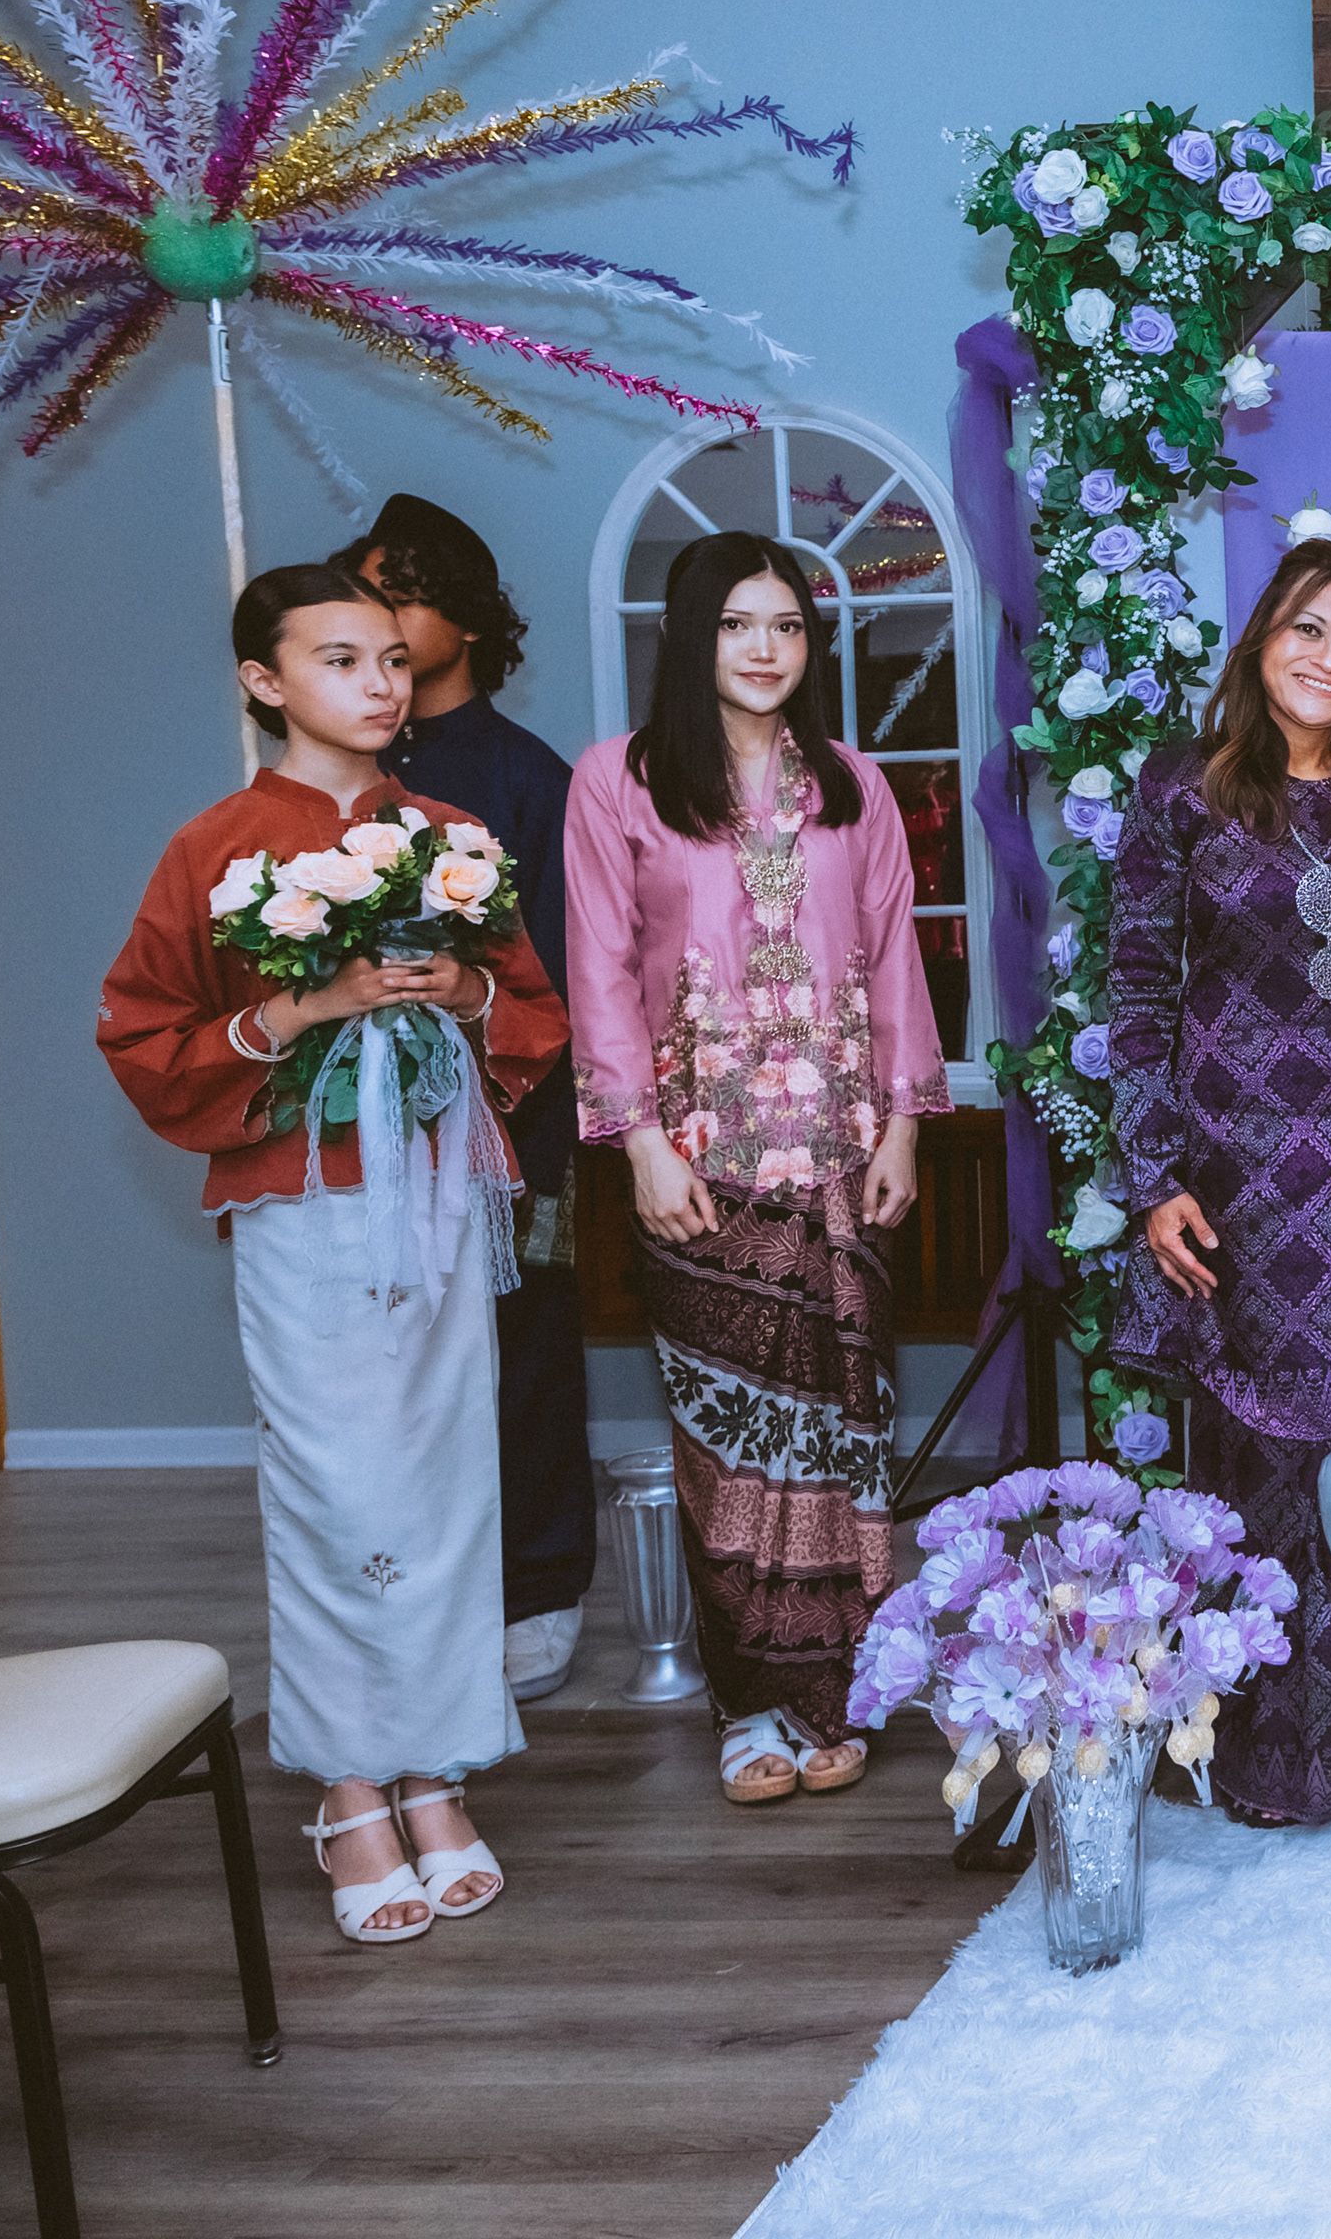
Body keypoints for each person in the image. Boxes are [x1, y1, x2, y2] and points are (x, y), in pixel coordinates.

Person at [100, 564, 565, 1945]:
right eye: (341, 659)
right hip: (303, 1210)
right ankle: (350, 1783)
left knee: (448, 1478)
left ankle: (438, 1767)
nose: (380, 683)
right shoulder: (216, 846)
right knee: (334, 1487)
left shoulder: (451, 836)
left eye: (392, 659)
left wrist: (463, 986)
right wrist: (303, 1009)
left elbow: (534, 1016)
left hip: (440, 1194)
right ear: (264, 680)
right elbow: (144, 1033)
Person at [565, 532, 948, 1806]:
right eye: (738, 623)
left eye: (787, 624)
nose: (766, 647)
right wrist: (639, 1142)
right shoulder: (619, 782)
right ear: (693, 636)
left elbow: (895, 957)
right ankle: (748, 1705)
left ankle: (839, 1686)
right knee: (728, 1445)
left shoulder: (852, 784)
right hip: (699, 1167)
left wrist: (903, 1125)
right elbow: (599, 969)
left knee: (843, 1430)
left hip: (841, 1162)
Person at [1102, 537, 1331, 1830]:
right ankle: (1262, 1757)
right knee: (1257, 1466)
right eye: (1310, 628)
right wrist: (1153, 1178)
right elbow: (1138, 996)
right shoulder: (1183, 789)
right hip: (1235, 1189)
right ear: (1263, 634)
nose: (1330, 659)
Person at [343, 492, 598, 1705]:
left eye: (403, 594)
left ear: (470, 617)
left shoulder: (525, 777)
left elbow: (562, 980)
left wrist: (518, 1125)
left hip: (513, 1123)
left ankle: (540, 1589)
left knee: (524, 1353)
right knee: (389, 1370)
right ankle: (414, 1596)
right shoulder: (344, 772)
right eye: (365, 595)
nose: (382, 619)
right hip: (360, 1130)